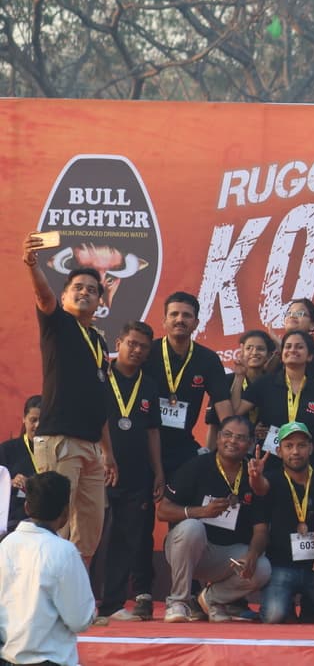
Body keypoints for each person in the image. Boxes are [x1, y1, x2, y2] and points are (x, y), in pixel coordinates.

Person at [24, 233, 117, 565]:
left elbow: (99, 401)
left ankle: (77, 593)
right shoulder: (58, 323)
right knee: (55, 526)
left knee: (88, 532)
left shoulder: (99, 343)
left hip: (92, 447)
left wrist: (108, 452)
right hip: (59, 440)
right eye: (78, 287)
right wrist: (32, 265)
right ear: (64, 296)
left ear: (100, 302)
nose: (85, 292)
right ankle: (44, 590)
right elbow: (42, 294)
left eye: (92, 290)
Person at [156, 415, 271, 622]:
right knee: (192, 528)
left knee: (262, 568)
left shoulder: (252, 474)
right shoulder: (197, 466)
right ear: (218, 438)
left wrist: (253, 555)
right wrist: (201, 512)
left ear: (250, 443)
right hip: (189, 549)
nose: (232, 441)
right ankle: (178, 602)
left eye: (240, 437)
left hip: (227, 557)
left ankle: (211, 599)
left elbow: (261, 529)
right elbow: (163, 510)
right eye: (227, 435)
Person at [94, 321, 164, 624]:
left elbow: (153, 431)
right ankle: (82, 601)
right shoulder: (100, 377)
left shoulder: (149, 385)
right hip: (99, 469)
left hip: (136, 474)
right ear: (118, 343)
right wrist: (105, 455)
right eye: (131, 343)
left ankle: (112, 604)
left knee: (126, 538)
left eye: (143, 347)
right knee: (92, 536)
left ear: (148, 353)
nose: (136, 350)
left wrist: (158, 471)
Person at [251, 421, 314, 624]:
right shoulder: (271, 480)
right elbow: (260, 488)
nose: (295, 451)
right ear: (279, 451)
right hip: (281, 566)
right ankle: (289, 606)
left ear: (311, 448)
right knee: (274, 616)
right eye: (289, 446)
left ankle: (310, 605)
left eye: (301, 445)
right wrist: (256, 478)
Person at [0, 472, 95, 666]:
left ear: (27, 507)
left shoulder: (5, 545)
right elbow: (79, 620)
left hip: (7, 657)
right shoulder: (65, 551)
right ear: (66, 512)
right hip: (50, 660)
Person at [142, 291, 232, 480]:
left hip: (182, 448)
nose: (180, 320)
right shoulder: (147, 352)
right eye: (174, 314)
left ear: (196, 323)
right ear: (164, 321)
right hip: (143, 443)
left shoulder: (208, 359)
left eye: (186, 315)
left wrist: (230, 440)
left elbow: (223, 406)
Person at [237, 330, 314, 471]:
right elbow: (236, 412)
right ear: (282, 354)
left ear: (309, 356)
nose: (292, 350)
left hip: (307, 466)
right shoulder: (265, 384)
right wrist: (239, 377)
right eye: (288, 346)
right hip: (269, 463)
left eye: (299, 347)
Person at [205, 329, 277, 450]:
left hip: (266, 452)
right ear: (242, 352)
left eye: (260, 349)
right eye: (249, 348)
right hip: (231, 449)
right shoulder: (225, 381)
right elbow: (214, 426)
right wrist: (208, 455)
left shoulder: (273, 384)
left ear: (269, 355)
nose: (254, 352)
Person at [0, 396, 42, 531]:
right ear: (24, 419)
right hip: (13, 521)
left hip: (45, 521)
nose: (37, 425)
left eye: (42, 420)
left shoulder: (55, 451)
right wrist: (10, 482)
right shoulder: (7, 449)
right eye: (33, 420)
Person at [282, 298, 314, 386]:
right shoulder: (275, 358)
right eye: (289, 313)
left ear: (312, 325)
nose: (292, 316)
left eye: (299, 313)